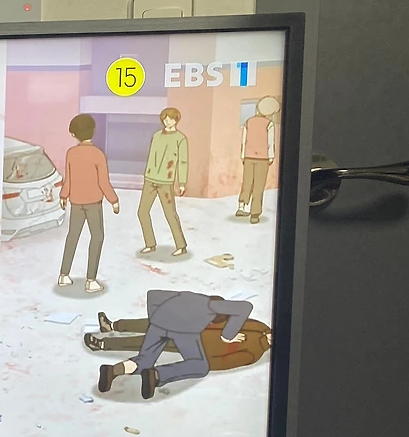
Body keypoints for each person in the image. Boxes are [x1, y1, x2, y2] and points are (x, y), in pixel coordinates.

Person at [96, 291, 255, 399]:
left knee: (144, 359)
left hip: (158, 325)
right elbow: (245, 307)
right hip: (184, 331)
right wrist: (228, 336)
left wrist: (156, 318)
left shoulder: (188, 296)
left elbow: (153, 294)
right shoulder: (213, 305)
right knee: (200, 365)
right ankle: (157, 375)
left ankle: (112, 371)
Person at [85, 309, 272, 370]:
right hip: (197, 325)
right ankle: (113, 326)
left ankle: (103, 344)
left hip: (196, 345)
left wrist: (200, 360)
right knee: (154, 322)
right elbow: (232, 319)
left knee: (150, 341)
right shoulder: (261, 327)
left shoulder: (254, 353)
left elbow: (224, 363)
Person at [58, 114, 120, 294]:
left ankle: (63, 275)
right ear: (94, 131)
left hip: (76, 202)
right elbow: (103, 182)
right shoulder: (98, 154)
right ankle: (90, 280)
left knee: (72, 236)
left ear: (73, 134)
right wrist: (114, 200)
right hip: (93, 202)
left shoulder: (71, 153)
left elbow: (68, 178)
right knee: (97, 237)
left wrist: (63, 195)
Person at [138, 107, 189, 257]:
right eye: (165, 119)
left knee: (170, 213)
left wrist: (182, 182)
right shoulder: (156, 136)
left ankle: (181, 246)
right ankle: (150, 244)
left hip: (166, 181)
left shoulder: (181, 139)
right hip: (150, 179)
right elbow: (151, 155)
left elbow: (183, 161)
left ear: (176, 120)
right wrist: (147, 173)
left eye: (171, 119)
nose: (167, 121)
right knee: (142, 212)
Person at [238, 96, 279, 224]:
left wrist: (243, 155)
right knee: (259, 185)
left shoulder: (248, 122)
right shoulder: (269, 124)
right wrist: (271, 156)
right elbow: (270, 143)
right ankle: (255, 214)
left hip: (248, 157)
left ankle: (241, 206)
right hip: (262, 158)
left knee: (247, 182)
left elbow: (244, 141)